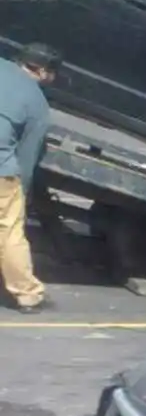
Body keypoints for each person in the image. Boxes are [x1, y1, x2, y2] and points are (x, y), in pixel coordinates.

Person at [0, 42, 61, 314]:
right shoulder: (37, 102)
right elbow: (26, 156)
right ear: (44, 72)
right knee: (9, 232)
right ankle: (27, 294)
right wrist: (23, 193)